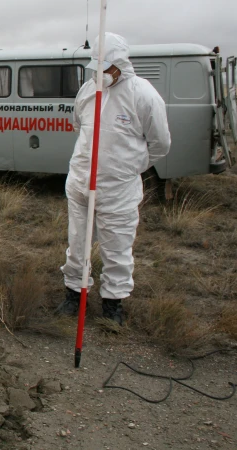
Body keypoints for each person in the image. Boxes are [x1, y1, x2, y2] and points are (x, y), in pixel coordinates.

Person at [57, 32, 171, 326]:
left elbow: (160, 144)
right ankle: (74, 293)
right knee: (77, 244)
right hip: (81, 184)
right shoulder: (87, 91)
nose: (101, 74)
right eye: (97, 67)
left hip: (118, 190)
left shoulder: (142, 94)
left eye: (106, 68)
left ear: (120, 64)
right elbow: (78, 126)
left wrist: (130, 166)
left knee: (117, 248)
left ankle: (113, 304)